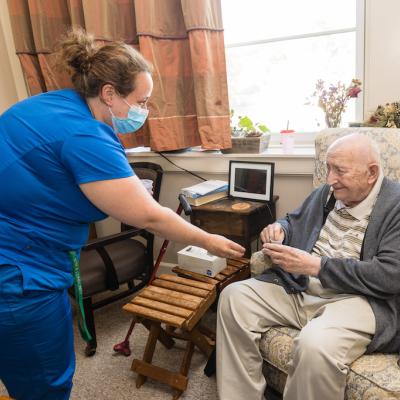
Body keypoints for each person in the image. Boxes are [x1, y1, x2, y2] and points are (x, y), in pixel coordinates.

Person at [0, 28, 245, 400]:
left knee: (14, 362)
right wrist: (209, 239)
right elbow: (149, 217)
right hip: (19, 271)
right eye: (141, 101)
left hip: (16, 243)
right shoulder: (84, 135)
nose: (144, 111)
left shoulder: (48, 104)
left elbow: (50, 175)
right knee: (44, 381)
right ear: (109, 93)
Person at [217, 134, 400, 400]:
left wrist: (316, 266)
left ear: (371, 173)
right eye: (328, 168)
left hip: (359, 300)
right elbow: (294, 220)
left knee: (315, 345)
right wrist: (279, 229)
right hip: (301, 287)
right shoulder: (327, 193)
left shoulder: (395, 205)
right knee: (234, 298)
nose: (329, 179)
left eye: (340, 170)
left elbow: (390, 276)